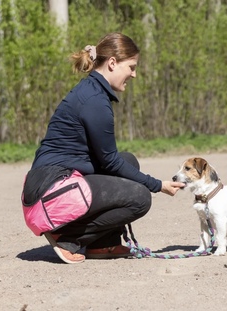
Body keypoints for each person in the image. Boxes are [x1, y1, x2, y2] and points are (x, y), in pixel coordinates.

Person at [21, 32, 185, 264]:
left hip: (48, 187)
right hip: (49, 195)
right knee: (139, 197)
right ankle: (69, 237)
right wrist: (157, 185)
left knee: (128, 161)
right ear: (112, 63)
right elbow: (109, 163)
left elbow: (112, 161)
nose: (134, 74)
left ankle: (103, 244)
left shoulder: (92, 92)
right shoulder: (95, 101)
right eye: (131, 67)